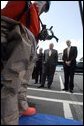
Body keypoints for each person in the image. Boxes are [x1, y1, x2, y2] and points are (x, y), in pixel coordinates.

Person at [1, 1, 51, 125]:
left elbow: (33, 32)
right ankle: (9, 121)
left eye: (45, 9)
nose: (42, 10)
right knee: (11, 83)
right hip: (21, 45)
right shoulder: (24, 3)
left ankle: (21, 107)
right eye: (43, 6)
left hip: (30, 49)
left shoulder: (37, 18)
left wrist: (41, 35)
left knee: (23, 83)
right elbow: (4, 20)